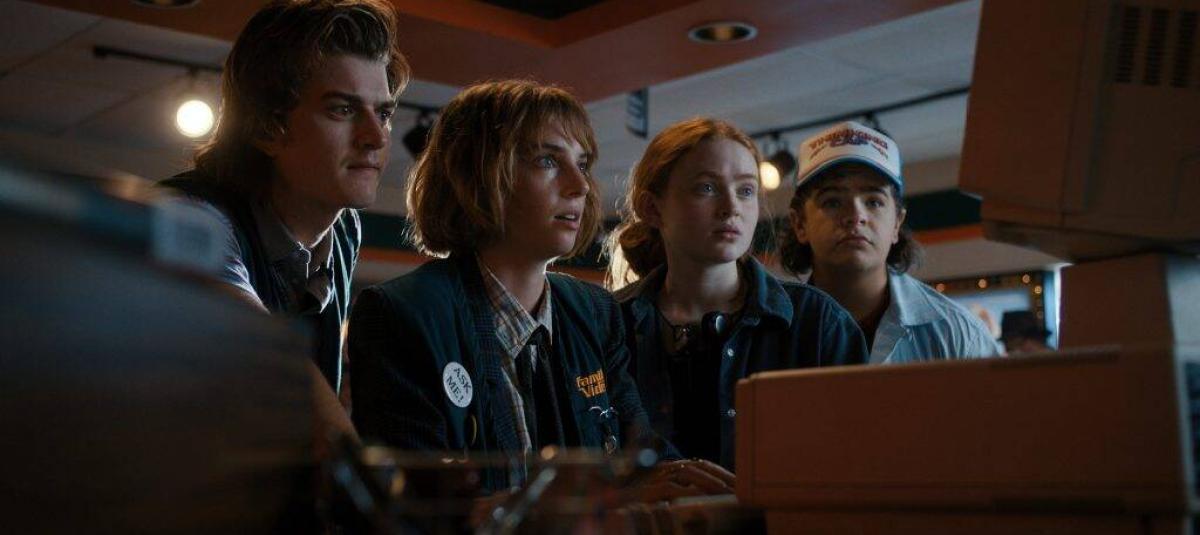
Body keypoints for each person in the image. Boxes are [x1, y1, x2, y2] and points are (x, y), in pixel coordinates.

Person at [348, 80, 733, 497]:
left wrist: (694, 482)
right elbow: (417, 508)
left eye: (582, 164)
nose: (579, 186)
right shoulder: (401, 314)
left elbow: (641, 452)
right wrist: (606, 495)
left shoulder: (595, 310)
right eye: (548, 161)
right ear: (477, 174)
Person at [160, 0, 409, 447]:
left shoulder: (344, 229)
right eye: (342, 109)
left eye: (385, 114)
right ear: (266, 127)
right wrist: (374, 480)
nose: (375, 137)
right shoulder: (193, 216)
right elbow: (274, 369)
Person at [607, 118, 868, 471]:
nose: (731, 208)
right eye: (706, 188)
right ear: (652, 208)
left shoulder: (818, 322)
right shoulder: (608, 324)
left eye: (745, 190)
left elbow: (858, 461)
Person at [780, 121, 1002, 363]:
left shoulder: (959, 334)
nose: (856, 216)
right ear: (799, 223)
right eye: (832, 201)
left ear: (897, 222)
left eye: (874, 202)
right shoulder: (770, 333)